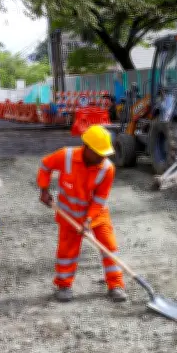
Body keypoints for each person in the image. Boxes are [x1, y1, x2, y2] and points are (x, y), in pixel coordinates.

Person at [36, 125, 127, 303]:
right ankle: (64, 285)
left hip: (97, 215)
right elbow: (45, 165)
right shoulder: (66, 156)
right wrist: (44, 190)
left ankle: (115, 285)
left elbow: (100, 199)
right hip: (68, 214)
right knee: (67, 252)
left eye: (105, 154)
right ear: (87, 148)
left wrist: (88, 220)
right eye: (99, 153)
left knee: (109, 247)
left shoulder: (107, 169)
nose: (102, 157)